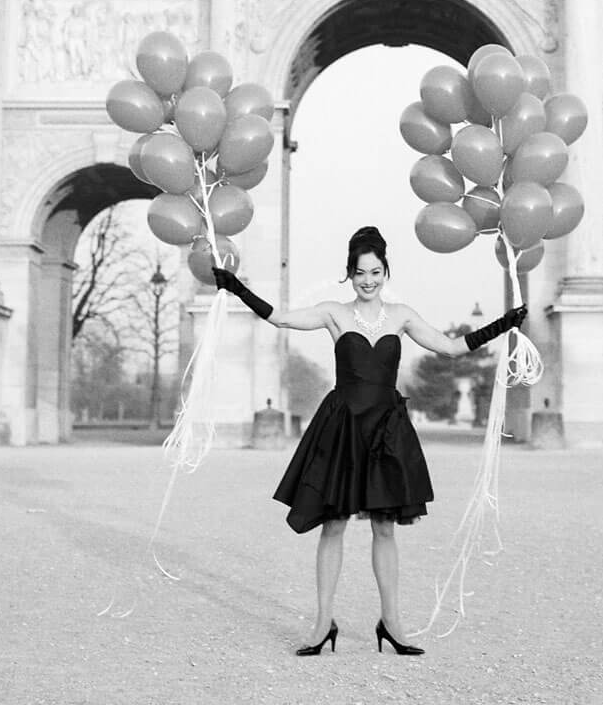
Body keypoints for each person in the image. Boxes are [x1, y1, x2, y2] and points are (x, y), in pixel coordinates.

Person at [213, 224, 526, 657]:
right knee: (333, 525)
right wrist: (236, 288)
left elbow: (451, 347)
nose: (368, 280)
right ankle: (323, 623)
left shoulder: (401, 315)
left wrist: (503, 325)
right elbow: (281, 318)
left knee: (384, 527)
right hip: (342, 428)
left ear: (385, 271)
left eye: (375, 271)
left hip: (385, 431)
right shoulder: (333, 313)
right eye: (360, 272)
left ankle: (392, 623)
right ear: (350, 273)